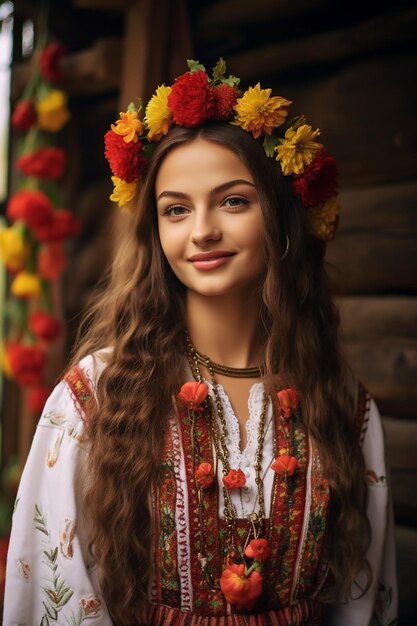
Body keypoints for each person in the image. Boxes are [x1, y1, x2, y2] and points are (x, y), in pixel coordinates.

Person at [3, 59, 397, 626]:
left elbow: (365, 602)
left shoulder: (342, 405)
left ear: (282, 216)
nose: (202, 230)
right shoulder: (95, 398)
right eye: (176, 210)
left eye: (234, 201)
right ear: (155, 229)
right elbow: (56, 592)